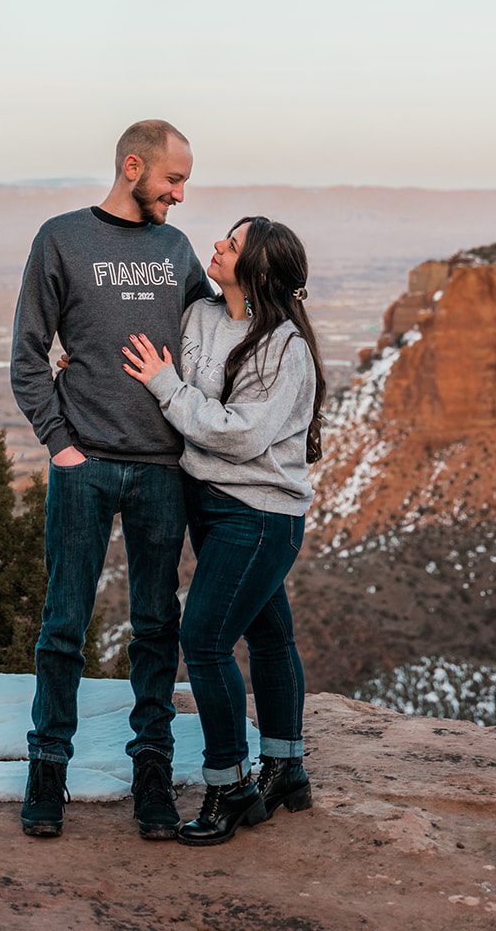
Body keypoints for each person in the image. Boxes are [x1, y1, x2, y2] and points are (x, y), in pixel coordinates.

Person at [11, 119, 215, 840]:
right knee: (63, 625)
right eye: (173, 179)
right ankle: (47, 770)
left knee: (159, 628)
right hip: (86, 465)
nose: (181, 195)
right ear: (134, 167)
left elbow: (214, 329)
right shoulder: (61, 238)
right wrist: (60, 445)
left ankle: (151, 775)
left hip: (163, 470)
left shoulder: (176, 249)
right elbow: (28, 353)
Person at [121, 215, 325, 846]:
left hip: (260, 514)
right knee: (268, 635)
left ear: (256, 269)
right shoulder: (203, 316)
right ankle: (286, 767)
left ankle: (231, 786)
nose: (216, 245)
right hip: (210, 504)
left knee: (205, 640)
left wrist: (164, 387)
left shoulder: (285, 347)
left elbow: (239, 433)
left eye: (231, 245)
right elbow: (158, 352)